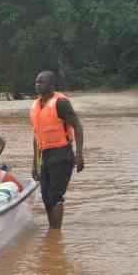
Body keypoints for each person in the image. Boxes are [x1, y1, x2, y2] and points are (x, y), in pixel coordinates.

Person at [31, 71, 85, 230]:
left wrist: (79, 155)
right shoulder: (35, 106)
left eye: (42, 82)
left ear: (51, 85)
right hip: (45, 155)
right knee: (45, 196)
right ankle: (52, 231)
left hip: (62, 154)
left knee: (55, 196)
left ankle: (56, 233)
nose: (38, 85)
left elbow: (78, 126)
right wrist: (34, 163)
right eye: (36, 82)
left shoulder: (61, 103)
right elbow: (36, 136)